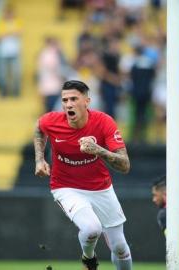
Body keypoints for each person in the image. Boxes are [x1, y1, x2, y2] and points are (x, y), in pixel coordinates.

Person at [34, 80, 133, 270]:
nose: (68, 104)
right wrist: (39, 159)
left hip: (101, 188)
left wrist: (99, 150)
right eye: (65, 100)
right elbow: (39, 129)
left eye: (73, 99)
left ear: (87, 101)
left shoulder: (104, 122)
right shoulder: (52, 120)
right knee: (92, 228)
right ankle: (89, 259)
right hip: (66, 187)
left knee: (119, 247)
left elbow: (125, 165)